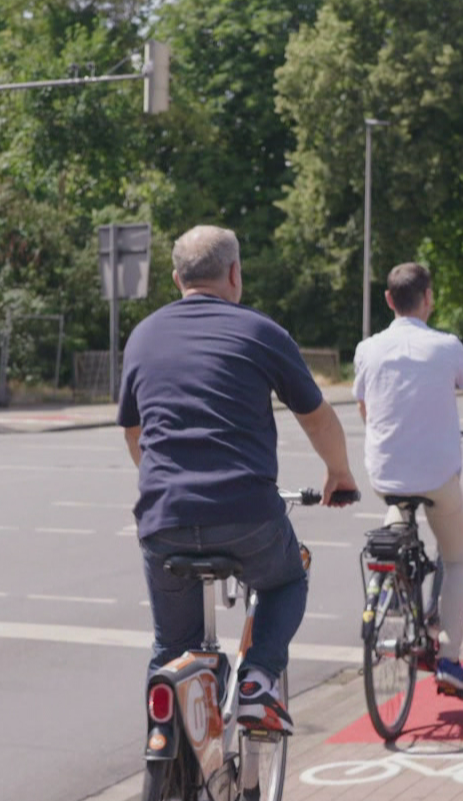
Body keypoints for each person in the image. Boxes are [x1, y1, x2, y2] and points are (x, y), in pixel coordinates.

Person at [119, 225, 358, 735]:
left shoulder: (143, 335)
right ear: (235, 274)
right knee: (288, 577)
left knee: (170, 647)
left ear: (176, 277)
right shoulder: (260, 331)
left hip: (164, 517)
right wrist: (339, 474)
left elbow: (134, 430)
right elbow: (315, 416)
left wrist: (167, 485)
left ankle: (165, 765)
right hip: (246, 514)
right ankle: (257, 682)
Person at [352, 262, 463, 697]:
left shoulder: (367, 348)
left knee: (396, 520)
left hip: (385, 474)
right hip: (439, 477)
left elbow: (365, 409)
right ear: (429, 298)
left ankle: (386, 584)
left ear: (388, 300)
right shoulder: (447, 347)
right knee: (457, 556)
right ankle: (448, 658)